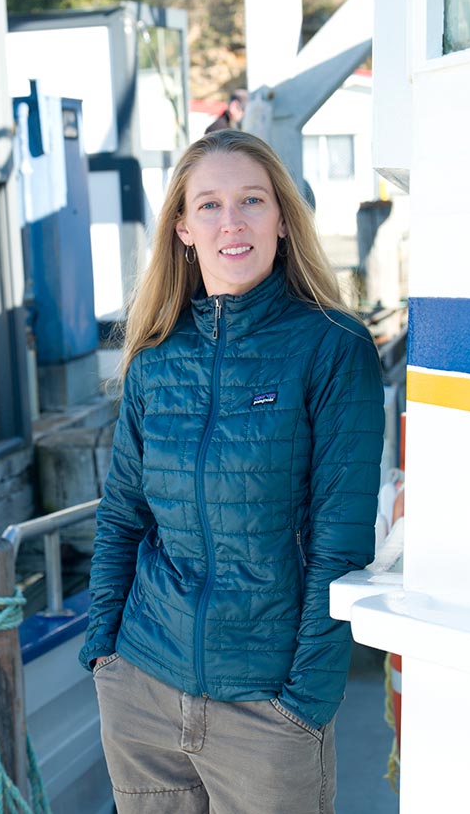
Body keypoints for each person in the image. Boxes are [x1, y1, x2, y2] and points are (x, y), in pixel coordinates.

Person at [79, 129, 385, 814]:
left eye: (252, 200)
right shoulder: (156, 356)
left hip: (268, 709)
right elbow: (123, 515)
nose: (233, 222)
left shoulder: (332, 348)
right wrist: (105, 653)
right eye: (210, 205)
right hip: (143, 689)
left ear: (282, 216)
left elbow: (339, 542)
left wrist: (305, 701)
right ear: (183, 228)